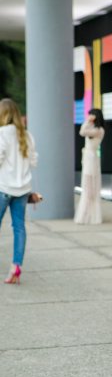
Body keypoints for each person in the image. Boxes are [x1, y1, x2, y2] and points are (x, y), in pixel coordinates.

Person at [0, 98, 38, 284]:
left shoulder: (2, 133)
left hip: (3, 187)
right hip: (23, 189)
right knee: (19, 228)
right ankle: (16, 267)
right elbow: (33, 161)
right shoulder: (27, 135)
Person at [74, 108, 105, 224]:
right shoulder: (93, 128)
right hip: (88, 158)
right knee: (86, 186)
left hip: (91, 159)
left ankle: (89, 216)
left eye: (91, 115)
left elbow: (82, 131)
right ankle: (86, 215)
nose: (89, 117)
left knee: (89, 187)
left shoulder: (99, 130)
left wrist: (87, 121)